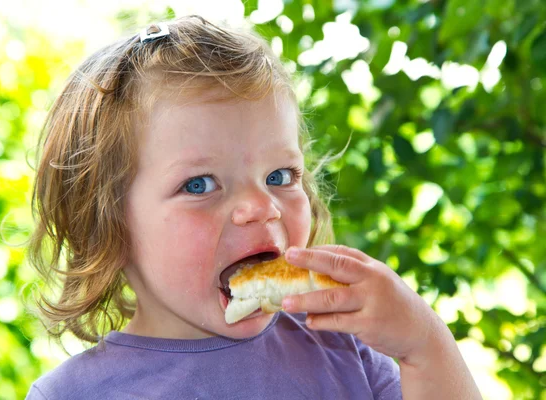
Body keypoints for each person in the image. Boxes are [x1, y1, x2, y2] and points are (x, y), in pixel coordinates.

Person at [25, 15, 482, 399]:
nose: (261, 207)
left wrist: (425, 343)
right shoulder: (74, 393)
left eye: (280, 177)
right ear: (110, 225)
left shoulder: (343, 351)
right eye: (200, 184)